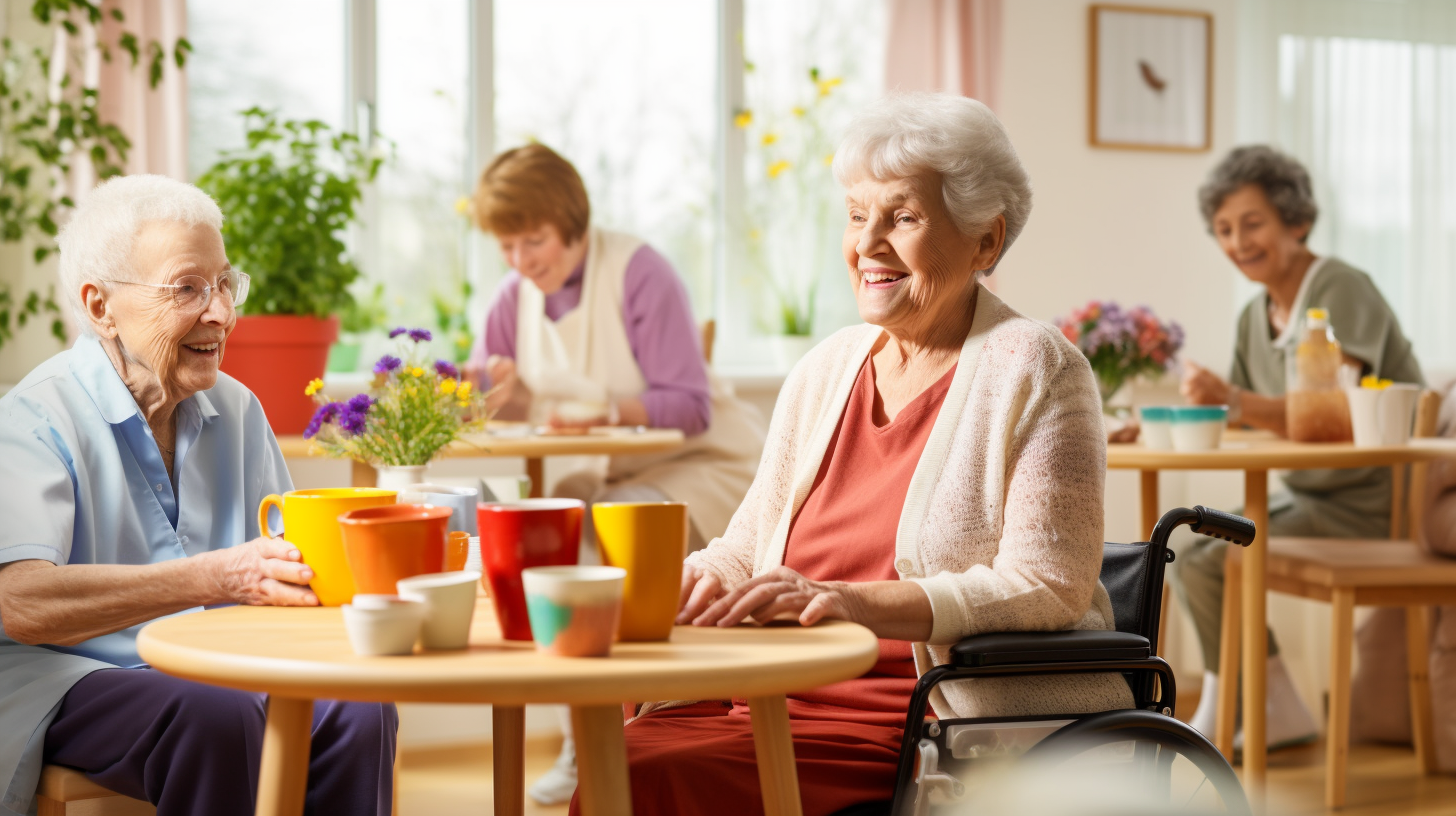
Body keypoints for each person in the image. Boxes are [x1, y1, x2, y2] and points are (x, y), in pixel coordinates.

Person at [572, 92, 1135, 816]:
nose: (868, 244)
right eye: (856, 215)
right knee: (619, 758)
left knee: (651, 777)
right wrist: (662, 589)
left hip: (916, 726)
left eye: (902, 217)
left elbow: (1049, 583)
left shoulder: (1037, 367)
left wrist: (844, 603)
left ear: (984, 243)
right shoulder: (825, 368)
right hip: (766, 694)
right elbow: (743, 550)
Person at [0, 175, 396, 816]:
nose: (220, 313)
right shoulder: (33, 419)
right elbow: (20, 604)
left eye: (223, 284)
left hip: (213, 671)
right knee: (216, 714)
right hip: (65, 674)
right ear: (102, 307)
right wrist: (211, 578)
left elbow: (286, 566)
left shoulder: (237, 410)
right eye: (187, 288)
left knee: (359, 707)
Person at [466, 143, 767, 803]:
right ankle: (594, 727)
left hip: (700, 465)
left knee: (605, 542)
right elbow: (489, 396)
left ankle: (602, 736)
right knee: (535, 552)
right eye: (507, 247)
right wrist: (496, 395)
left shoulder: (639, 271)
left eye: (534, 241)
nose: (521, 262)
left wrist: (599, 408)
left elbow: (687, 406)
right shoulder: (510, 299)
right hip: (602, 480)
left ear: (573, 223)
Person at [1173, 145, 1425, 748]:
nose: (1237, 243)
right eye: (1225, 230)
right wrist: (1176, 417)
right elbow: (1246, 421)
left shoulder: (1338, 288)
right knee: (1197, 549)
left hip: (1375, 500)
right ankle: (1271, 703)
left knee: (1208, 557)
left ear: (1297, 220)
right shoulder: (1253, 316)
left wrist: (1231, 397)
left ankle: (1244, 702)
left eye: (1252, 223)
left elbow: (1336, 414)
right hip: (1312, 496)